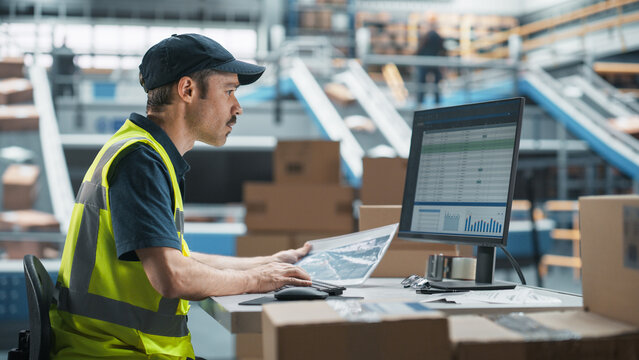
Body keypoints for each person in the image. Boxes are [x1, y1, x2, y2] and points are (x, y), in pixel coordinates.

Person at [49, 34, 313, 360]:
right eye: (229, 91)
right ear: (187, 90)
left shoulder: (144, 151)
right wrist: (257, 280)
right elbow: (172, 277)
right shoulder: (140, 160)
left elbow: (179, 259)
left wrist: (269, 263)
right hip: (116, 352)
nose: (238, 107)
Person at [415, 15, 446, 106]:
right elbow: (443, 51)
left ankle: (420, 103)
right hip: (433, 63)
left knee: (422, 84)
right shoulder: (436, 37)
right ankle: (436, 103)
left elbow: (419, 50)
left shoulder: (426, 37)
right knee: (434, 84)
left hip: (426, 63)